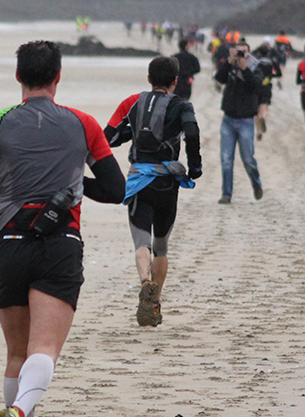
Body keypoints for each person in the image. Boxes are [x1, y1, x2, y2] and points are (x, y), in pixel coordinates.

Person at [0, 41, 124, 417]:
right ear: (58, 77)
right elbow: (115, 187)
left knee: (17, 354)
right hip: (58, 243)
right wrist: (72, 180)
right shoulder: (83, 123)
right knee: (44, 351)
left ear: (18, 79)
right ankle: (16, 416)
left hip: (8, 243)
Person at [104, 56, 202, 327]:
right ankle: (154, 302)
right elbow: (192, 133)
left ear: (148, 79)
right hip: (168, 183)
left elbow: (108, 137)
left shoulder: (132, 102)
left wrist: (130, 134)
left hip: (139, 182)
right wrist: (195, 167)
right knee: (161, 246)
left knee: (141, 243)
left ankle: (144, 283)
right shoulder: (182, 105)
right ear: (174, 81)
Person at [213, 39, 264, 203]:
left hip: (246, 120)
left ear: (249, 53)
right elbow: (219, 79)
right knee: (226, 159)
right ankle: (226, 194)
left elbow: (255, 86)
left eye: (244, 52)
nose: (241, 55)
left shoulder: (256, 67)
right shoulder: (230, 67)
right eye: (238, 52)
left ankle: (256, 184)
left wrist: (244, 67)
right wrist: (228, 63)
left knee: (248, 159)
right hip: (228, 118)